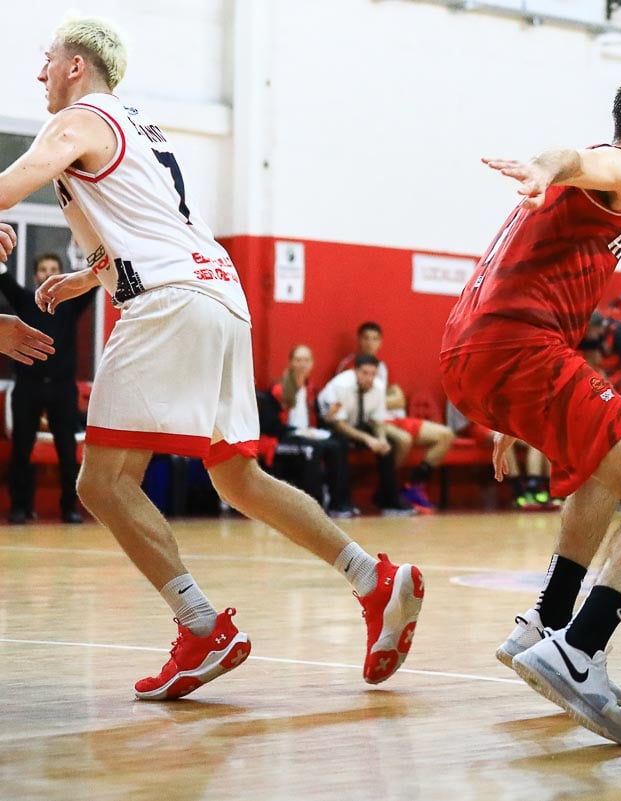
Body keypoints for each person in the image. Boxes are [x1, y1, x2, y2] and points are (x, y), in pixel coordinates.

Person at [2, 18, 422, 699]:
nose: (39, 73)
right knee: (237, 476)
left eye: (46, 60)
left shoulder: (76, 120)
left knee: (101, 483)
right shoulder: (136, 127)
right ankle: (374, 579)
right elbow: (152, 222)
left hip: (168, 302)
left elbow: (11, 184)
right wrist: (90, 275)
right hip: (218, 293)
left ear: (76, 66)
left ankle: (202, 626)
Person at [441, 73, 621, 746]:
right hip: (517, 349)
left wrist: (505, 410)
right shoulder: (620, 172)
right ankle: (579, 650)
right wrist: (542, 167)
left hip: (474, 352)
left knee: (597, 465)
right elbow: (578, 158)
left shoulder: (584, 198)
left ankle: (547, 623)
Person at [0, 251, 95, 523]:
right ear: (35, 275)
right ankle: (20, 507)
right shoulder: (25, 300)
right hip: (28, 389)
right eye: (43, 269)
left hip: (63, 390)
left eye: (54, 269)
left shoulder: (70, 305)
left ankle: (69, 508)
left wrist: (83, 255)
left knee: (67, 451)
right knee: (21, 449)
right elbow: (3, 278)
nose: (47, 273)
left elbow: (95, 279)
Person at [339, 321, 454, 510]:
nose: (370, 343)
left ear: (380, 342)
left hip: (396, 418)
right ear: (359, 341)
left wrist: (381, 399)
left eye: (375, 339)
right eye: (366, 338)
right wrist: (385, 399)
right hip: (372, 420)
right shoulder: (349, 366)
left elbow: (399, 399)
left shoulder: (382, 367)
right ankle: (387, 491)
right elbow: (358, 401)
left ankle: (412, 486)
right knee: (404, 440)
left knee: (445, 435)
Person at [263, 344, 356, 518]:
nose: (302, 364)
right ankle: (314, 505)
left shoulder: (312, 390)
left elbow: (317, 421)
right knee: (313, 449)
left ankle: (340, 503)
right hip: (284, 439)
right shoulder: (278, 390)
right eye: (298, 360)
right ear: (290, 363)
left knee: (339, 444)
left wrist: (327, 417)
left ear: (312, 364)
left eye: (306, 360)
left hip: (308, 435)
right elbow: (270, 425)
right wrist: (297, 430)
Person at [317, 355, 416, 516]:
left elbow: (377, 421)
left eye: (372, 374)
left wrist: (381, 439)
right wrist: (367, 439)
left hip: (358, 424)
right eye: (364, 373)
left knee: (388, 446)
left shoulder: (377, 387)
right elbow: (338, 424)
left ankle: (389, 500)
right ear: (355, 371)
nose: (369, 378)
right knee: (339, 445)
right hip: (331, 426)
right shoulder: (339, 386)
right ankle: (340, 504)